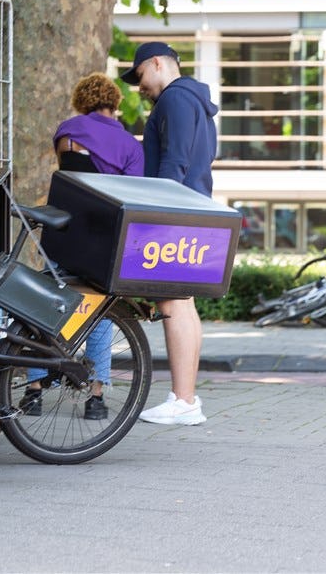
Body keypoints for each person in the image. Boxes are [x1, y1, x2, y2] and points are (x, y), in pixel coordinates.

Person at [19, 72, 143, 421]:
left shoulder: (67, 130)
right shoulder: (132, 146)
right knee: (100, 312)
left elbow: (70, 175)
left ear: (82, 100)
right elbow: (134, 196)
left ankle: (34, 390)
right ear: (115, 104)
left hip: (64, 229)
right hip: (104, 237)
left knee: (48, 304)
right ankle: (96, 396)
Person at [120, 41, 218, 426]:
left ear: (158, 63)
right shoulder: (195, 101)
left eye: (140, 76)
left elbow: (174, 160)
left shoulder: (175, 100)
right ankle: (187, 399)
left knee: (171, 304)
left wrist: (155, 213)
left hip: (175, 213)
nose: (139, 87)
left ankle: (183, 399)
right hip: (193, 210)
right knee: (184, 304)